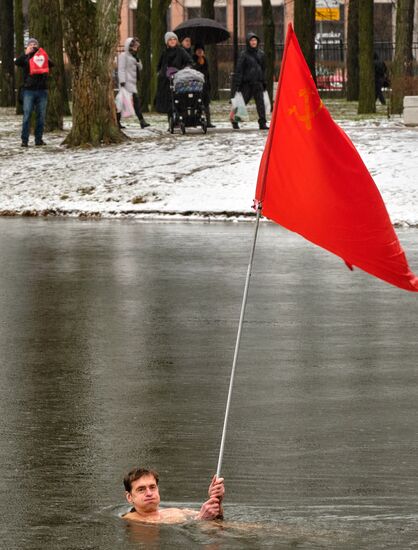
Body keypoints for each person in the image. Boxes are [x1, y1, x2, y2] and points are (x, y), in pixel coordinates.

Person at [123, 467, 225, 524]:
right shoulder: (131, 520)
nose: (149, 493)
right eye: (141, 489)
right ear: (129, 497)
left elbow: (215, 517)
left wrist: (216, 500)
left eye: (152, 487)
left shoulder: (174, 511)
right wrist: (200, 520)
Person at [14, 38, 54, 147]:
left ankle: (38, 140)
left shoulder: (42, 56)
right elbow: (17, 62)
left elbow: (51, 64)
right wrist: (26, 54)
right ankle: (24, 140)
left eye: (35, 44)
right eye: (31, 44)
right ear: (27, 46)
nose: (33, 46)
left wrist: (42, 53)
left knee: (41, 116)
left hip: (42, 90)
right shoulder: (25, 58)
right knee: (27, 116)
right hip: (28, 91)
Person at [232, 32, 268, 130]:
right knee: (242, 103)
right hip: (247, 84)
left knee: (261, 104)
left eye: (255, 40)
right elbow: (239, 70)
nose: (253, 42)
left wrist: (264, 82)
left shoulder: (261, 54)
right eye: (251, 40)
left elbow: (263, 69)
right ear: (248, 42)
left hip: (258, 83)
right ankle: (235, 120)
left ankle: (262, 123)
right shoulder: (244, 55)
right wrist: (238, 84)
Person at [155, 32, 193, 116]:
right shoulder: (164, 52)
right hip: (166, 80)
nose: (172, 41)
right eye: (170, 39)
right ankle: (171, 120)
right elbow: (159, 65)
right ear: (167, 42)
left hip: (178, 78)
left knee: (179, 99)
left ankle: (181, 117)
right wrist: (160, 73)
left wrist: (185, 69)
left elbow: (189, 61)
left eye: (174, 39)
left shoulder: (181, 50)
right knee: (168, 101)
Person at [117, 37, 150, 129]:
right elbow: (121, 69)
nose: (136, 48)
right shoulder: (123, 56)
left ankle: (141, 121)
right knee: (123, 102)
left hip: (132, 83)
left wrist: (138, 62)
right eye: (134, 46)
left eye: (137, 46)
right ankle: (118, 121)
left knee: (134, 102)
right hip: (125, 83)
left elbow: (140, 68)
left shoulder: (134, 56)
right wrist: (122, 81)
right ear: (130, 46)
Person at [193, 43, 215, 128]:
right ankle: (196, 120)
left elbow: (207, 74)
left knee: (206, 104)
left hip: (205, 86)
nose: (199, 52)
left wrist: (209, 85)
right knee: (197, 104)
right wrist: (198, 64)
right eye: (198, 50)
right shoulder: (193, 59)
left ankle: (208, 122)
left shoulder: (205, 60)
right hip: (197, 85)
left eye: (201, 50)